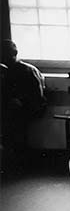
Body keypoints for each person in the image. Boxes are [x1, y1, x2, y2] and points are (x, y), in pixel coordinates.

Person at [1, 39, 47, 168]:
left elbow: (37, 96)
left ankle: (16, 156)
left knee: (12, 118)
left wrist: (20, 100)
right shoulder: (4, 70)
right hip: (10, 106)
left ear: (14, 54)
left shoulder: (27, 70)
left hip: (31, 106)